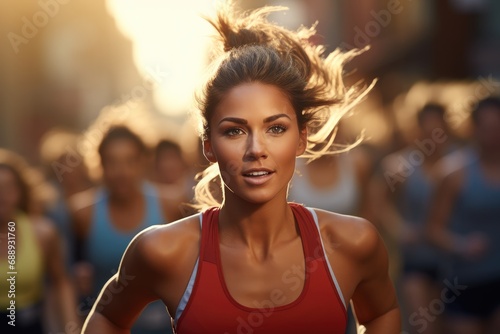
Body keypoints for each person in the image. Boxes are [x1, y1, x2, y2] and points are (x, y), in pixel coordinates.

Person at [82, 3, 400, 333]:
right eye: (234, 130)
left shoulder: (352, 243)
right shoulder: (162, 251)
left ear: (301, 138)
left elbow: (382, 313)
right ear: (208, 145)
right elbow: (107, 318)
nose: (256, 149)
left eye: (276, 128)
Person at [70, 126, 175, 334]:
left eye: (130, 161)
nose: (122, 172)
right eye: (112, 162)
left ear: (143, 162)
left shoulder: (170, 205)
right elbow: (69, 281)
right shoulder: (82, 213)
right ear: (99, 164)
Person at [373, 103, 457, 334]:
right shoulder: (401, 165)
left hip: (454, 260)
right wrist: (400, 229)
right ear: (418, 130)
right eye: (427, 130)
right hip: (417, 258)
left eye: (437, 129)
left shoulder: (460, 163)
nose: (433, 136)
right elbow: (380, 205)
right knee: (424, 326)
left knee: (452, 325)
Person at [427, 96, 500, 334]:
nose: (493, 136)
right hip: (464, 284)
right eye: (487, 128)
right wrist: (462, 245)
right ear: (475, 129)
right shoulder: (454, 173)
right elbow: (433, 230)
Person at [0, 149, 79, 333]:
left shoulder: (42, 232)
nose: (1, 196)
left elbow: (61, 282)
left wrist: (72, 327)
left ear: (19, 192)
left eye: (7, 188)